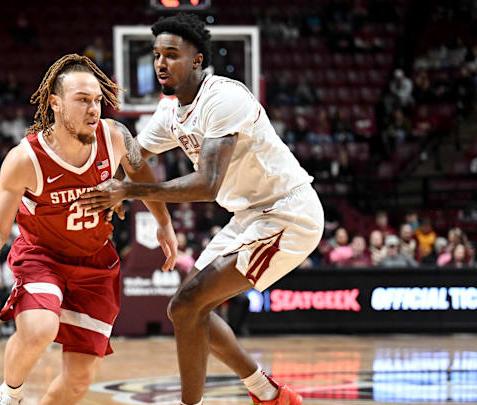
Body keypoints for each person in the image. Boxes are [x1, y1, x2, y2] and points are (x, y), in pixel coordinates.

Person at [78, 14, 323, 405]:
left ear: (197, 60)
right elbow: (132, 157)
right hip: (247, 216)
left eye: (172, 55)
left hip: (286, 213)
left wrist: (128, 190)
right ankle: (268, 392)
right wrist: (96, 150)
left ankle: (203, 401)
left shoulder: (224, 98)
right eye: (157, 54)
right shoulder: (169, 113)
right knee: (189, 312)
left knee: (187, 303)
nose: (161, 63)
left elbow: (207, 185)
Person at [0, 54, 177, 405]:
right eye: (82, 100)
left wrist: (164, 222)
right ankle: (9, 395)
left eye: (97, 101)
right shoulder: (25, 159)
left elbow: (141, 174)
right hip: (42, 257)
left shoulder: (116, 136)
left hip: (95, 265)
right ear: (55, 103)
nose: (94, 109)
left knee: (78, 383)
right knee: (39, 330)